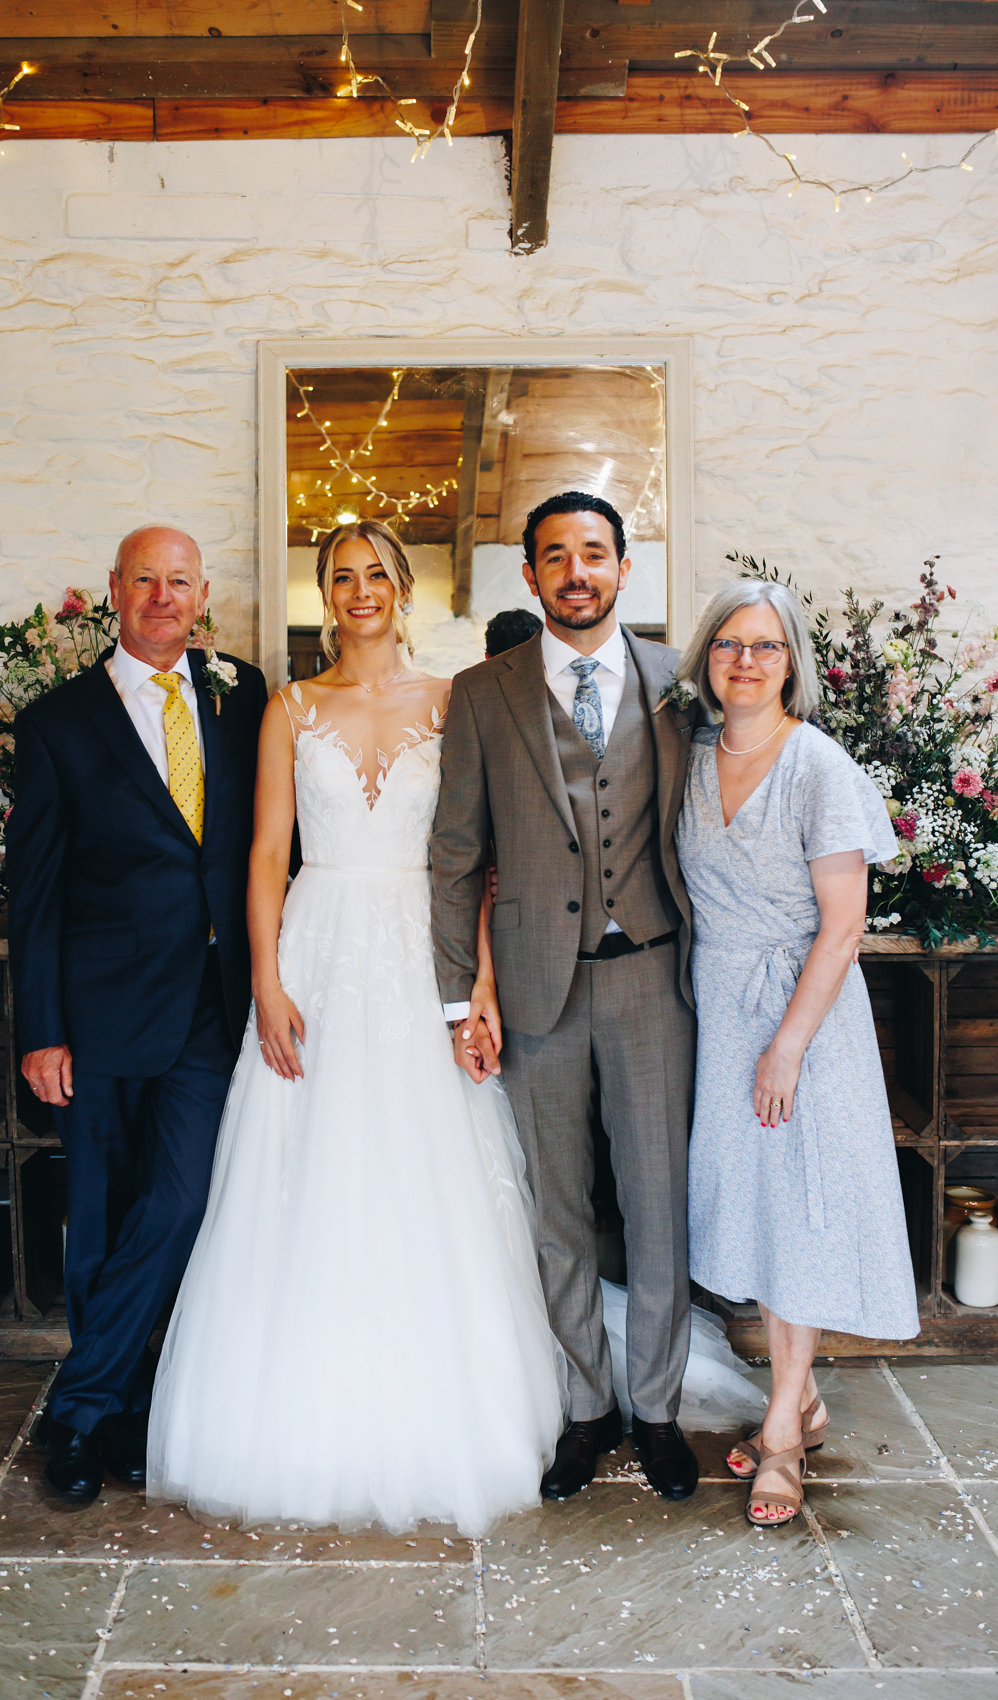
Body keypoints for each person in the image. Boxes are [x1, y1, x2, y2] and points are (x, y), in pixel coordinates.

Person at [147, 519, 565, 1536]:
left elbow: (474, 860)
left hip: (423, 948)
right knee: (308, 1162)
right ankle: (294, 1404)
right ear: (323, 594)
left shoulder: (455, 698)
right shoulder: (290, 706)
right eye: (341, 575)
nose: (360, 589)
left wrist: (481, 992)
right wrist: (266, 981)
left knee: (424, 1165)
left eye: (376, 572)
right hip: (318, 945)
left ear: (402, 586)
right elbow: (262, 855)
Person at [431, 490, 702, 1504]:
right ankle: (587, 1408)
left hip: (651, 977)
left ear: (623, 568)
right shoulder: (480, 692)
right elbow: (454, 854)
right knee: (557, 1208)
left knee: (655, 1204)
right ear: (532, 576)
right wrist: (459, 997)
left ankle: (659, 1409)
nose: (576, 570)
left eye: (594, 552)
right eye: (556, 555)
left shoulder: (682, 680)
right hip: (536, 986)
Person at [7, 525, 268, 1506]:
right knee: (101, 1214)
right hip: (99, 1009)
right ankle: (111, 1412)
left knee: (182, 1197)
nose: (162, 596)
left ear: (202, 594)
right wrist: (41, 1027)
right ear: (113, 591)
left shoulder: (242, 696)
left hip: (212, 1003)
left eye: (179, 581)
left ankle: (76, 1406)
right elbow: (32, 894)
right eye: (144, 580)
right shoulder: (58, 722)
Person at [673, 580, 920, 1529]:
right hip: (719, 1007)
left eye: (765, 646)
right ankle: (801, 1398)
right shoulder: (693, 758)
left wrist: (785, 1047)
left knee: (802, 1211)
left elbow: (843, 924)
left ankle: (782, 1432)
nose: (744, 660)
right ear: (705, 659)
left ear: (792, 663)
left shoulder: (816, 765)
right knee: (761, 1211)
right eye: (729, 643)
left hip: (802, 1018)